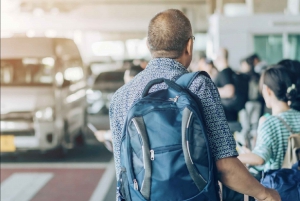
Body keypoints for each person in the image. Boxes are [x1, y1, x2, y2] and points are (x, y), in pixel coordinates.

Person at [109, 9, 280, 201]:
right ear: (189, 45)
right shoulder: (197, 85)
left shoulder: (120, 97)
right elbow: (225, 165)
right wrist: (265, 194)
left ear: (149, 46)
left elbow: (122, 174)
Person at [238, 66, 300, 173]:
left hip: (279, 186)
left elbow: (260, 159)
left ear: (267, 90)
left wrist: (237, 158)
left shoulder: (269, 122)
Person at [214, 48, 240, 122]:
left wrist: (212, 90)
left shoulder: (224, 73)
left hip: (227, 115)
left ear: (219, 58)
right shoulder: (230, 71)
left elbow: (229, 91)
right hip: (231, 113)